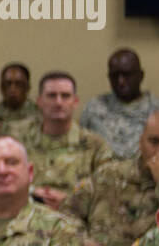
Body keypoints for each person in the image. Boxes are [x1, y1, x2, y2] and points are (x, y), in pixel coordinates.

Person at [63, 109, 159, 246]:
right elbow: (67, 212)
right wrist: (83, 241)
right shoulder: (109, 174)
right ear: (141, 142)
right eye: (154, 141)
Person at [13, 72, 111, 211]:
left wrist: (71, 200)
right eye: (52, 96)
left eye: (65, 96)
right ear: (39, 101)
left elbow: (108, 190)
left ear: (75, 102)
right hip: (27, 218)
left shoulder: (95, 145)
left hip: (76, 221)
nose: (58, 102)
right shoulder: (19, 143)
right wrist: (32, 191)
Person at [79, 48, 159, 158]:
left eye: (127, 74)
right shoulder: (93, 109)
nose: (121, 81)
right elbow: (80, 152)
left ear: (141, 75)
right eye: (115, 76)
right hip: (101, 173)